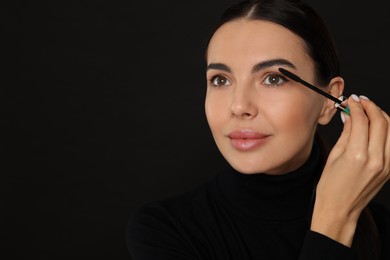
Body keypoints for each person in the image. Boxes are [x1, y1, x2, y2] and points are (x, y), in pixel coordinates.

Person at [126, 0, 390, 259]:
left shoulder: (383, 230)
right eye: (220, 79)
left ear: (327, 101)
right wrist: (335, 221)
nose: (239, 106)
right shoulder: (165, 230)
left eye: (273, 79)